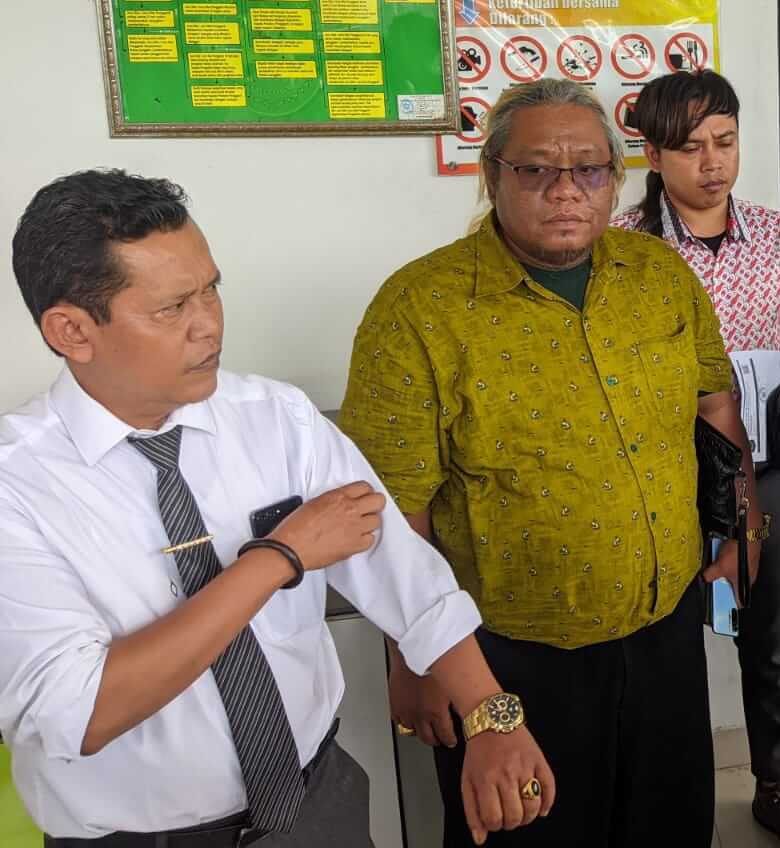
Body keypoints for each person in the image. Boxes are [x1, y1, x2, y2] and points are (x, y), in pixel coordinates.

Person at [0, 169, 552, 848]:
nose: (209, 325)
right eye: (172, 309)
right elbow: (77, 712)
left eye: (211, 290)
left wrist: (490, 715)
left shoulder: (276, 417)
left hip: (317, 804)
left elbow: (402, 574)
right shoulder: (16, 486)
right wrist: (279, 558)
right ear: (72, 331)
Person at [340, 79, 764, 848]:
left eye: (590, 169)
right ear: (492, 174)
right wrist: (413, 659)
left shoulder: (661, 275)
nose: (566, 190)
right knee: (530, 833)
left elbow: (715, 408)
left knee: (669, 826)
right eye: (537, 169)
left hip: (664, 631)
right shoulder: (419, 309)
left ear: (617, 176)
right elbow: (394, 511)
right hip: (506, 658)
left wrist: (743, 527)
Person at [614, 69, 780, 848]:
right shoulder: (621, 246)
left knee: (772, 640)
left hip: (766, 471)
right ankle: (662, 800)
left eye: (726, 141)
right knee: (659, 643)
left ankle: (778, 783)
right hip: (658, 479)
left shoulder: (778, 236)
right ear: (652, 153)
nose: (713, 162)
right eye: (691, 147)